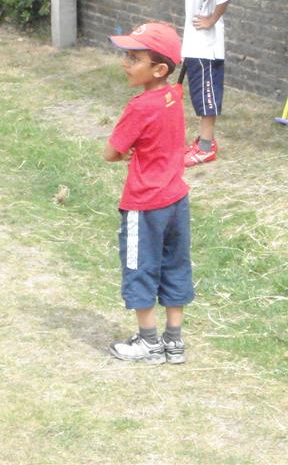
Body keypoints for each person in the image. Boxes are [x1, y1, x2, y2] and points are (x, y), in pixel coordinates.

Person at [105, 22, 193, 365]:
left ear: (159, 69)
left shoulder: (139, 107)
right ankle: (174, 342)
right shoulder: (173, 96)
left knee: (140, 267)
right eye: (126, 55)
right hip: (176, 199)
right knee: (175, 265)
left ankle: (148, 343)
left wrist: (125, 152)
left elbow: (112, 152)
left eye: (134, 57)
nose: (126, 62)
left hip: (145, 203)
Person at [168, 0, 235, 167]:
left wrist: (210, 20)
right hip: (196, 47)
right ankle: (203, 142)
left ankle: (206, 147)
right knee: (199, 97)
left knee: (207, 98)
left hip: (206, 49)